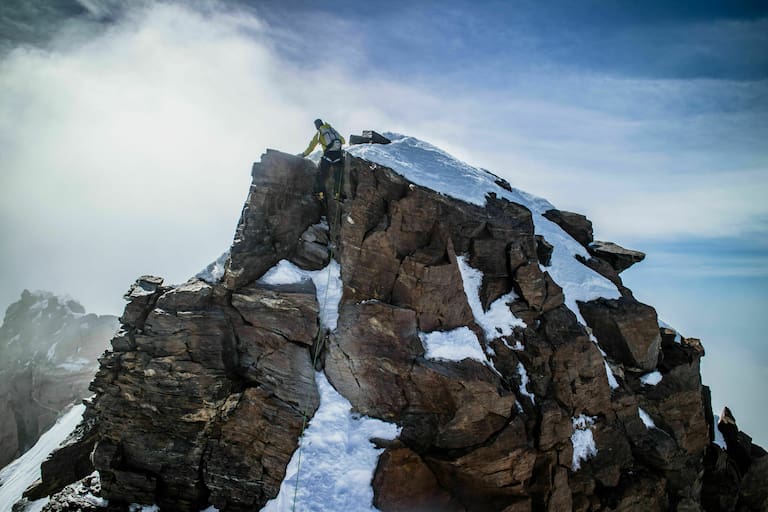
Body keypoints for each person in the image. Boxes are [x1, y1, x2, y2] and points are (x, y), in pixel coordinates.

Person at [300, 119, 346, 198]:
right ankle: (338, 195)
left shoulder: (319, 133)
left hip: (328, 156)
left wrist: (304, 154)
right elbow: (343, 141)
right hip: (338, 156)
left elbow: (312, 146)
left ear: (316, 126)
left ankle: (320, 194)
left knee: (321, 175)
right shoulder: (332, 130)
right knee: (338, 177)